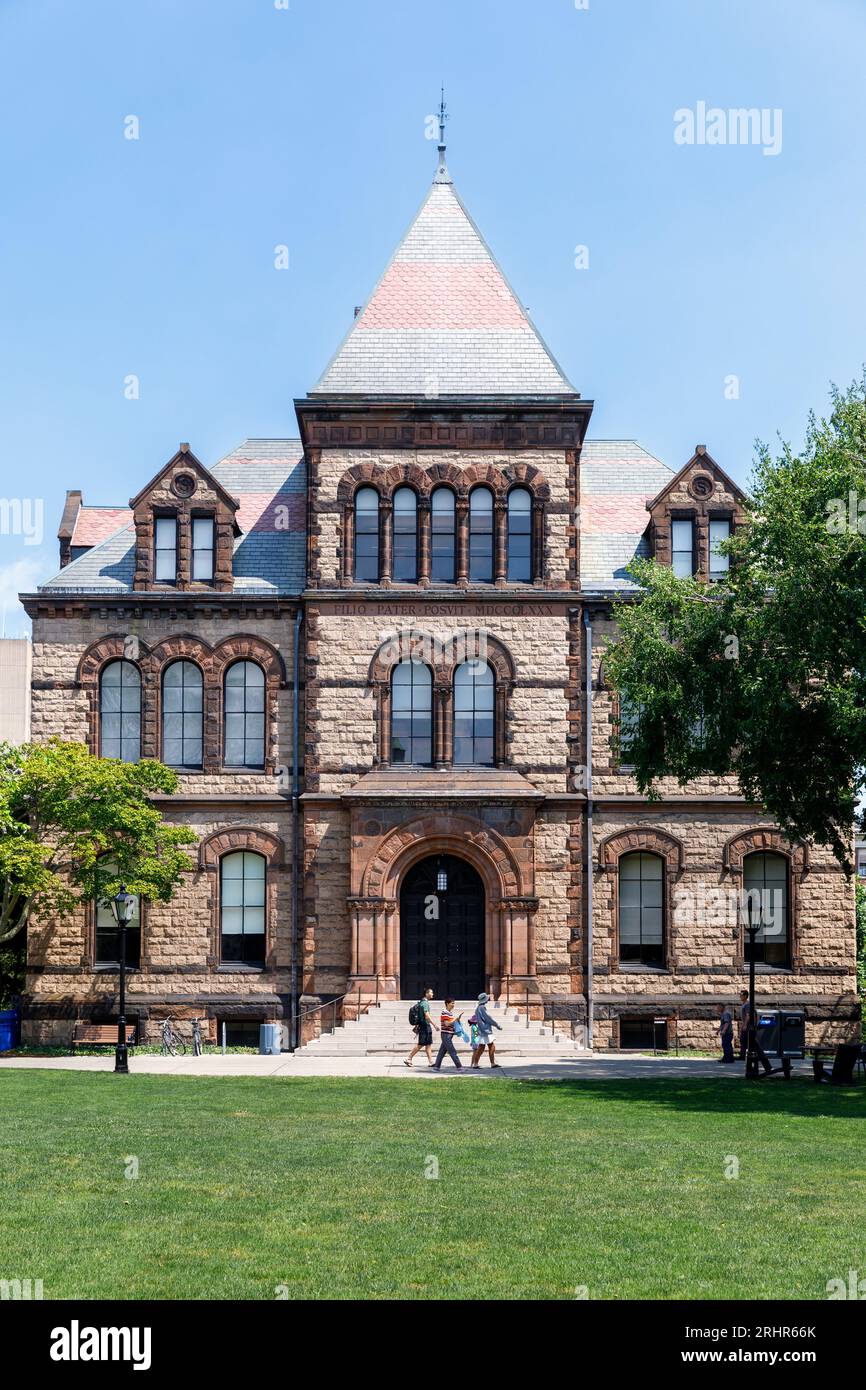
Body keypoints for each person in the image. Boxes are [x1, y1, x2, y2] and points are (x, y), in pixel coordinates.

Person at [404, 987, 438, 1067]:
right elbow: (427, 1016)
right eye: (431, 992)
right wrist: (435, 1025)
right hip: (424, 1026)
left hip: (424, 1026)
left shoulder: (422, 1002)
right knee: (421, 1044)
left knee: (428, 1044)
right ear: (426, 994)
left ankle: (431, 1062)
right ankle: (408, 1058)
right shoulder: (425, 1003)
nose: (432, 994)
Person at [470, 992, 502, 1068]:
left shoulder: (479, 1008)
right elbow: (487, 1018)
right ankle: (490, 1063)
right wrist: (496, 1024)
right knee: (490, 1046)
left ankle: (477, 1063)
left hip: (482, 1029)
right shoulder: (482, 1008)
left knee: (483, 1047)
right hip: (485, 1030)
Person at [431, 998, 463, 1070]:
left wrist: (457, 1020)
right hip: (446, 1035)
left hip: (448, 1034)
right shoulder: (445, 1012)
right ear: (447, 1004)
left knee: (442, 1052)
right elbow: (447, 1024)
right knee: (452, 1051)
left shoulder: (449, 1013)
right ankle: (459, 1067)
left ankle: (436, 1067)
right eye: (452, 1003)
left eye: (454, 1003)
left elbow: (450, 1023)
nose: (453, 1005)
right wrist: (455, 1019)